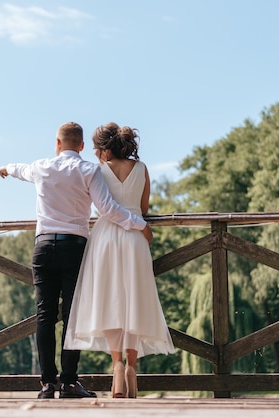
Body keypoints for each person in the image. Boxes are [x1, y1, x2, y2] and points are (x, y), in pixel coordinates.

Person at [0, 122, 153, 399]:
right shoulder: (89, 170)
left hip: (43, 245)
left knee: (44, 315)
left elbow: (19, 169)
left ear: (57, 143)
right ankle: (69, 382)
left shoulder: (41, 166)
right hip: (74, 246)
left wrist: (6, 169)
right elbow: (108, 209)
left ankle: (47, 384)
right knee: (71, 314)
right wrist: (138, 224)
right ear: (81, 146)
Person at [64, 122, 175, 398]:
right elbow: (144, 207)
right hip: (136, 235)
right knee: (135, 299)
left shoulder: (98, 171)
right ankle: (132, 368)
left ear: (103, 150)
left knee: (110, 300)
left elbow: (99, 205)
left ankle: (116, 366)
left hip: (106, 237)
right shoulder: (142, 168)